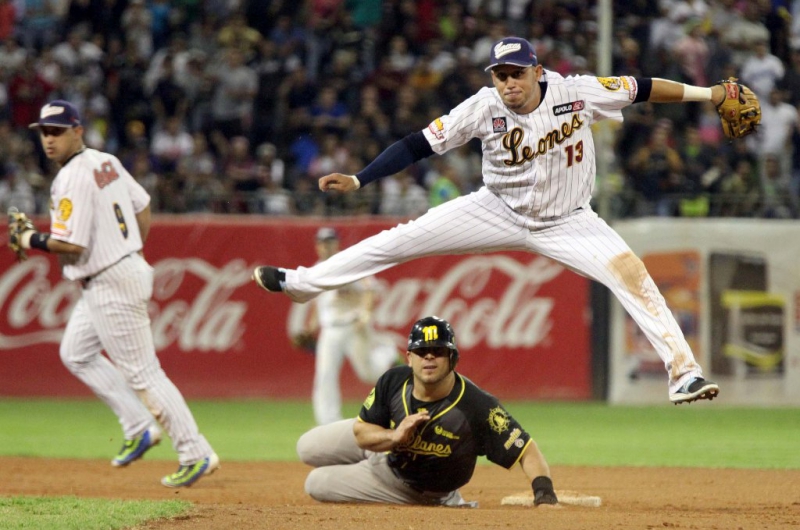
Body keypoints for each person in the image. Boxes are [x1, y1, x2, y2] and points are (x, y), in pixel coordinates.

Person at [254, 36, 722, 405]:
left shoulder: (576, 92)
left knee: (631, 273)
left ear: (538, 71)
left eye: (516, 73)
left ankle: (684, 374)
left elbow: (643, 88)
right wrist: (360, 178)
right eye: (500, 74)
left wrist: (711, 93)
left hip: (570, 220)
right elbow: (418, 143)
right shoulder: (483, 105)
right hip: (495, 208)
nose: (507, 83)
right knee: (400, 239)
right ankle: (303, 283)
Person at [16, 100, 218, 487]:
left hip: (110, 280)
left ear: (78, 131)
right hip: (115, 273)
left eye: (57, 131)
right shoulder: (105, 161)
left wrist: (30, 237)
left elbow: (70, 246)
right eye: (44, 131)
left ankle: (196, 452)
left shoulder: (71, 176)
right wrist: (134, 248)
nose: (49, 139)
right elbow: (142, 206)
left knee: (145, 374)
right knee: (75, 352)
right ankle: (139, 425)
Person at [296, 316, 559, 508]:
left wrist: (544, 494)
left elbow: (526, 450)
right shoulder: (393, 380)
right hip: (386, 444)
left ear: (453, 358)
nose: (429, 357)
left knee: (315, 483)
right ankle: (372, 456)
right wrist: (394, 437)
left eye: (438, 351)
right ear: (409, 358)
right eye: (422, 351)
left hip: (405, 486)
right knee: (306, 446)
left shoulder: (476, 406)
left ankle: (447, 498)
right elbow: (362, 432)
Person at [297, 227, 398, 425]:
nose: (326, 246)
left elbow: (370, 289)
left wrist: (365, 314)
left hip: (354, 326)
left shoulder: (348, 262)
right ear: (317, 246)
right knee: (325, 374)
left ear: (337, 243)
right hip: (330, 329)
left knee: (368, 372)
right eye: (322, 242)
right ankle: (328, 422)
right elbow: (319, 302)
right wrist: (311, 327)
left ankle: (388, 356)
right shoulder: (316, 268)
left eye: (330, 242)